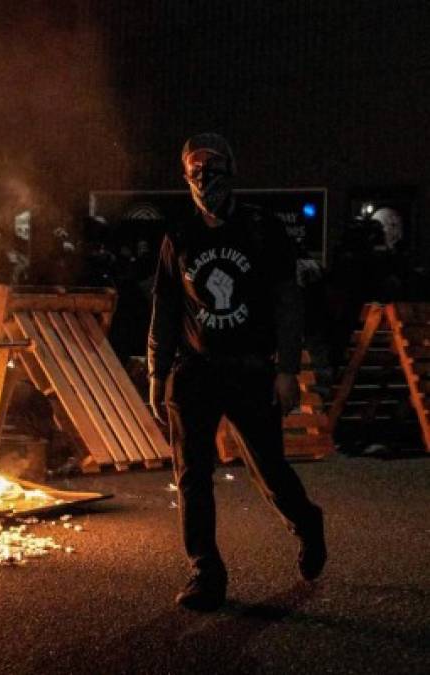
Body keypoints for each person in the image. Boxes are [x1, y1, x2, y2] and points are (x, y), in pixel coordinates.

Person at [147, 133, 326, 611]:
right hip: (195, 372)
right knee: (191, 475)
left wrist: (286, 370)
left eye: (212, 167)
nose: (204, 179)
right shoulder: (179, 236)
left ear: (232, 169)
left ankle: (307, 522)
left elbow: (288, 304)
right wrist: (156, 372)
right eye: (194, 170)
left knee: (269, 469)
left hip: (249, 369)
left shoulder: (263, 231)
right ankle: (206, 573)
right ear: (185, 177)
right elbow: (165, 307)